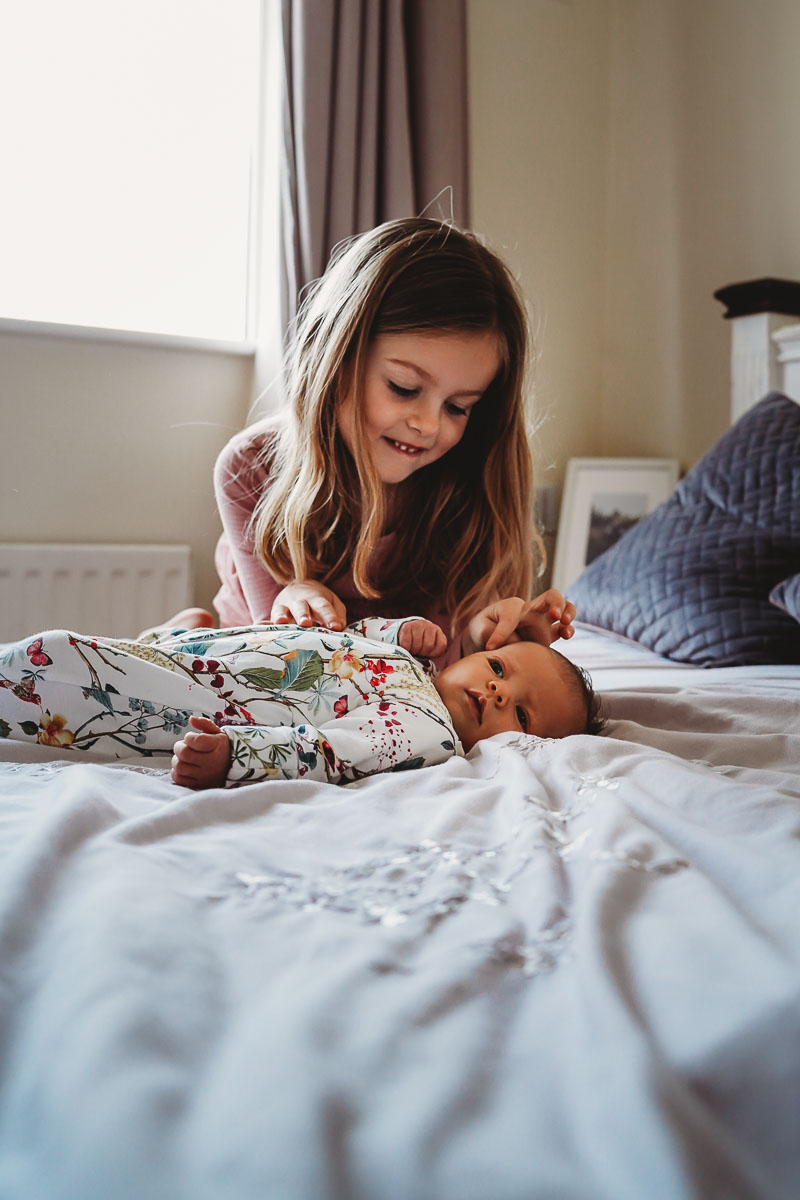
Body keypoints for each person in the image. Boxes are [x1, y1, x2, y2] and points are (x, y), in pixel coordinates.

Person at [152, 217, 575, 664]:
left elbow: (440, 678)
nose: (429, 425)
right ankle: (179, 638)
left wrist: (490, 642)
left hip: (382, 683)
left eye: (458, 407)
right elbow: (288, 670)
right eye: (404, 387)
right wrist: (294, 604)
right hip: (262, 658)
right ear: (336, 357)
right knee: (191, 656)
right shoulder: (250, 467)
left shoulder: (469, 487)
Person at [0, 612, 603, 790]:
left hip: (216, 698)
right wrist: (398, 631)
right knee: (145, 646)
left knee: (55, 662)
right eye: (499, 667)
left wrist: (234, 755)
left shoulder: (429, 731)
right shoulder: (419, 664)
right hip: (229, 648)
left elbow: (329, 752)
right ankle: (172, 629)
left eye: (520, 713)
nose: (497, 690)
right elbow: (354, 634)